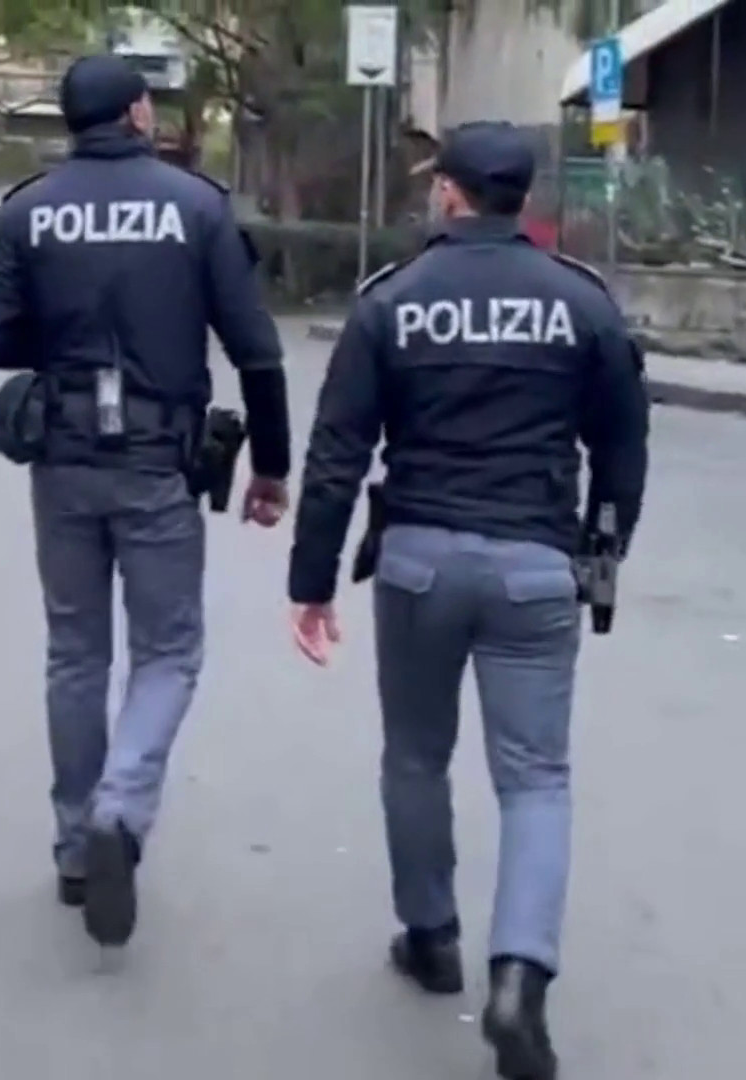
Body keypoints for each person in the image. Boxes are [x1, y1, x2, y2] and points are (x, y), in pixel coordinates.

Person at [285, 121, 649, 1080]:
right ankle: (520, 977)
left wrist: (311, 583)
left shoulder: (392, 300)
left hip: (419, 563)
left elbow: (338, 453)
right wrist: (602, 554)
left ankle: (432, 936)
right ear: (521, 197)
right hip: (536, 567)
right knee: (536, 780)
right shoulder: (582, 302)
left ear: (450, 192)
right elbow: (622, 448)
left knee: (415, 755)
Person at [0, 54, 293, 949]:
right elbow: (257, 349)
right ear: (139, 113)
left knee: (75, 652)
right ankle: (121, 805)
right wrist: (270, 464)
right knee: (169, 651)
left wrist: (61, 336)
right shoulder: (196, 207)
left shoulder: (28, 210)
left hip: (63, 458)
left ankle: (78, 846)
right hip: (159, 460)